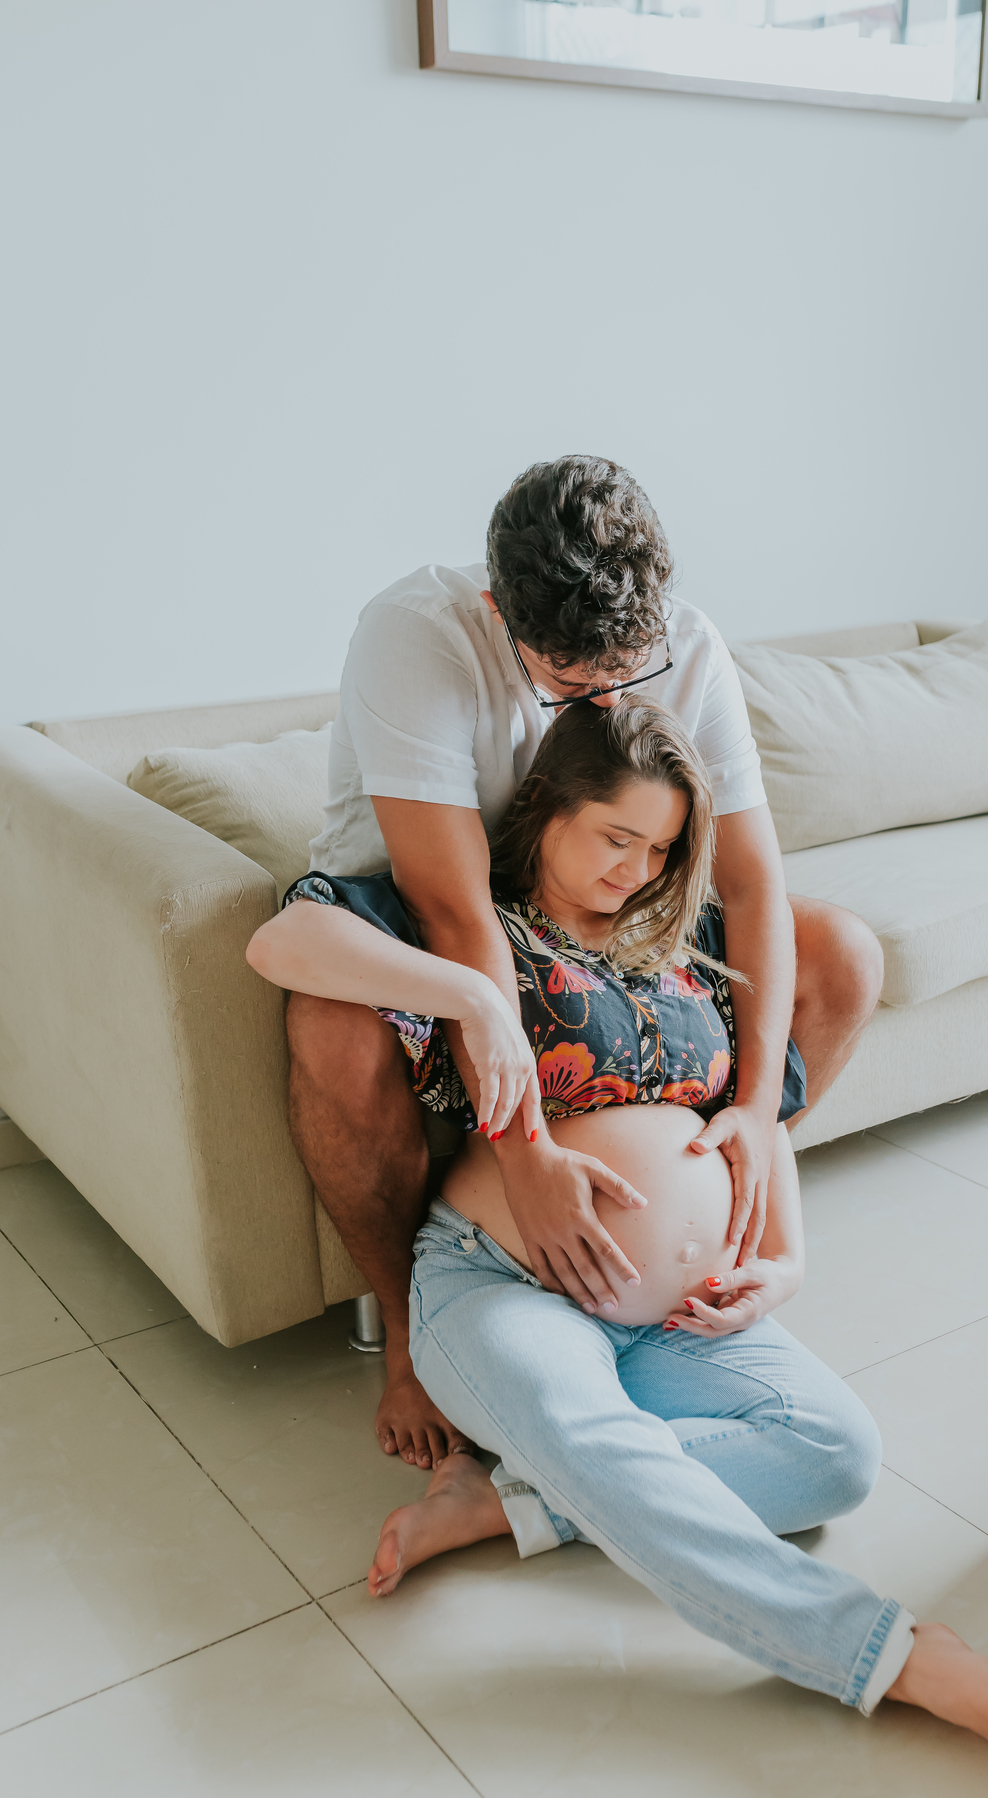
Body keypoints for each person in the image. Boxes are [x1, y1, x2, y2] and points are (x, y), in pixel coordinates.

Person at [248, 699, 988, 1788]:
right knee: (588, 1427)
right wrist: (470, 993)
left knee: (838, 1452)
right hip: (500, 1282)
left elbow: (754, 1122)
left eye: (658, 849)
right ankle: (902, 1659)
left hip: (670, 1321)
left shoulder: (683, 940)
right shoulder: (470, 923)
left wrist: (788, 1262)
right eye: (615, 838)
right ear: (547, 810)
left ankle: (510, 1502)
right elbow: (283, 941)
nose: (635, 869)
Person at [279, 454, 886, 1472]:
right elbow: (454, 905)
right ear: (497, 608)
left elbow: (751, 886)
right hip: (439, 906)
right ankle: (410, 1331)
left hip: (618, 899)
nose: (604, 697)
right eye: (570, 679)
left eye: (626, 669)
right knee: (331, 1023)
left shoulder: (686, 644)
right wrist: (522, 1155)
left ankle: (699, 1221)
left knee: (847, 957)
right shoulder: (418, 635)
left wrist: (753, 1106)